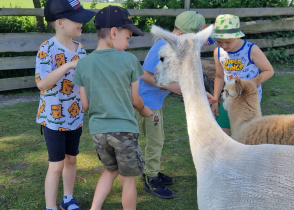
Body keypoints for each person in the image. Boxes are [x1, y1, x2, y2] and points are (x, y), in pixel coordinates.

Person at [72, 6, 154, 210]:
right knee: (128, 180)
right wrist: (145, 111)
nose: (127, 44)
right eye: (127, 38)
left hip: (98, 132)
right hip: (124, 131)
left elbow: (85, 105)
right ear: (114, 32)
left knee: (110, 171)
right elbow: (136, 100)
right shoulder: (129, 60)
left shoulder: (83, 64)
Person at [135, 11, 214, 199]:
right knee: (155, 141)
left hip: (154, 101)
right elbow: (145, 74)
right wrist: (170, 87)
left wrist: (202, 93)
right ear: (183, 35)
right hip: (146, 102)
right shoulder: (163, 46)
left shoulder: (174, 46)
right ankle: (151, 177)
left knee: (158, 137)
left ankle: (151, 169)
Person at [35, 0, 95, 209]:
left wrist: (87, 104)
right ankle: (50, 206)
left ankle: (67, 199)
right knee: (56, 165)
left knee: (71, 160)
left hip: (75, 117)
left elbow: (83, 84)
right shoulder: (46, 49)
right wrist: (68, 64)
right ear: (59, 22)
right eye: (77, 19)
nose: (82, 23)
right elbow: (42, 83)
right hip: (53, 119)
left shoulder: (82, 50)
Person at [210, 14, 274, 135]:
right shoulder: (218, 52)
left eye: (228, 42)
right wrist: (214, 100)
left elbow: (269, 71)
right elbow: (219, 77)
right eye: (219, 42)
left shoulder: (251, 50)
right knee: (222, 132)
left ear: (237, 37)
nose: (223, 46)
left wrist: (253, 82)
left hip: (248, 99)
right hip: (228, 97)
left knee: (247, 134)